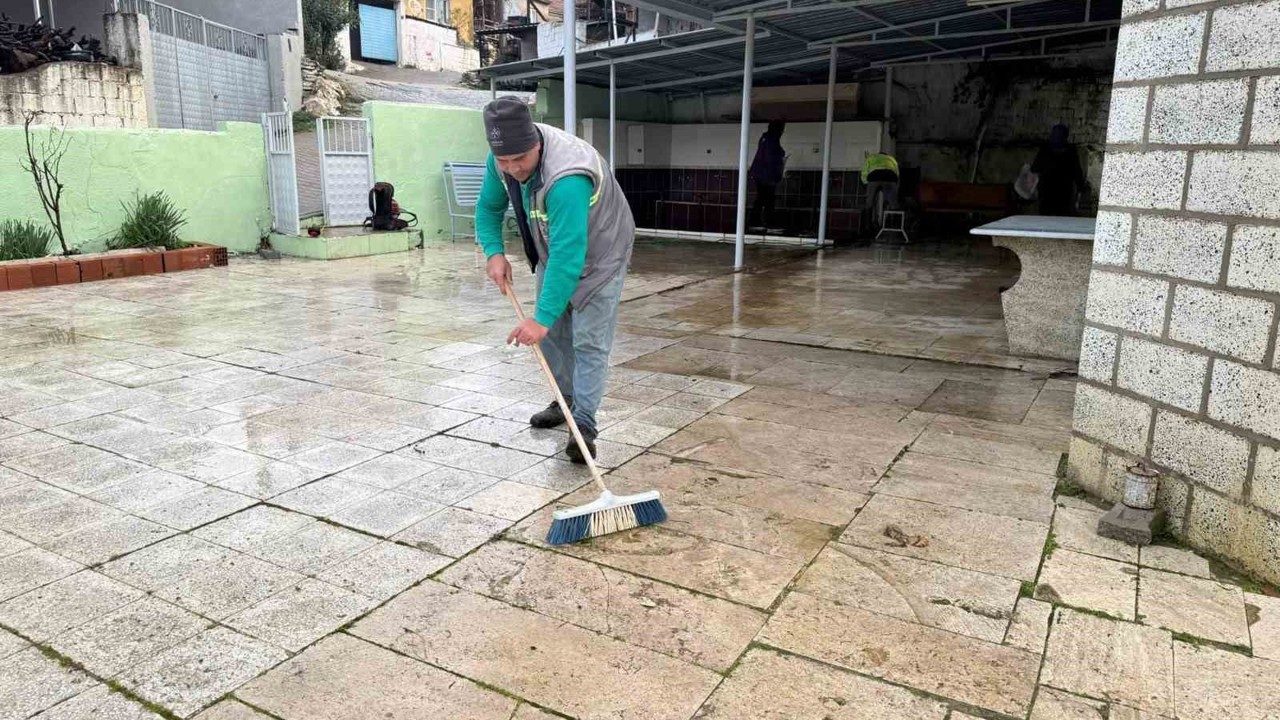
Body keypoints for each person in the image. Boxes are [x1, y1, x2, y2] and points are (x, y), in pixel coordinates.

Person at [473, 97, 636, 464]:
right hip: (556, 246)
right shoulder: (500, 164)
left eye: (521, 160)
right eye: (505, 161)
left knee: (589, 341)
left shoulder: (567, 178)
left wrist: (540, 318)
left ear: (536, 143)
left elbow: (570, 256)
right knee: (554, 338)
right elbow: (487, 207)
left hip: (602, 254)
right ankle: (564, 401)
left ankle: (584, 426)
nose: (513, 169)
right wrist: (493, 251)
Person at [1031, 123, 1089, 216]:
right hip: (1064, 192)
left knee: (1046, 218)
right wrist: (1081, 187)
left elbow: (1035, 168)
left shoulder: (1045, 149)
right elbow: (1077, 172)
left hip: (1046, 192)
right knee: (1061, 218)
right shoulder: (1071, 151)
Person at [749, 121, 786, 231]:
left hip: (759, 173)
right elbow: (771, 159)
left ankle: (756, 222)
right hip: (766, 175)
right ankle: (768, 223)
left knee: (761, 198)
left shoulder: (765, 138)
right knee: (768, 199)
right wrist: (776, 176)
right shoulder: (772, 140)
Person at [861, 151, 900, 228]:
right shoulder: (891, 159)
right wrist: (896, 187)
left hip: (874, 177)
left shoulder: (871, 158)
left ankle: (867, 226)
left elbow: (864, 172)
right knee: (893, 204)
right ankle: (894, 227)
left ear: (878, 154)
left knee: (869, 203)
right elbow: (897, 173)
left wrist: (865, 184)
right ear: (886, 155)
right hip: (890, 177)